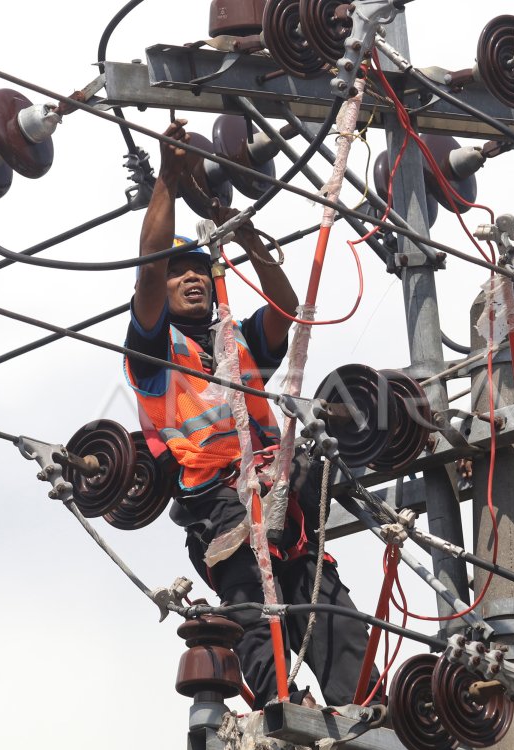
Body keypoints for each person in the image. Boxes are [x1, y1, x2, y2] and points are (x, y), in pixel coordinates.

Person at [124, 119, 376, 708]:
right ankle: (286, 704)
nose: (192, 280)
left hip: (282, 495)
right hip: (220, 508)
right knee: (254, 613)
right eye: (178, 272)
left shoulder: (238, 343)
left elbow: (286, 307)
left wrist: (240, 232)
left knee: (328, 607)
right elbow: (146, 272)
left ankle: (371, 719)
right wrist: (167, 180)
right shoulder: (154, 353)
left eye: (201, 272)